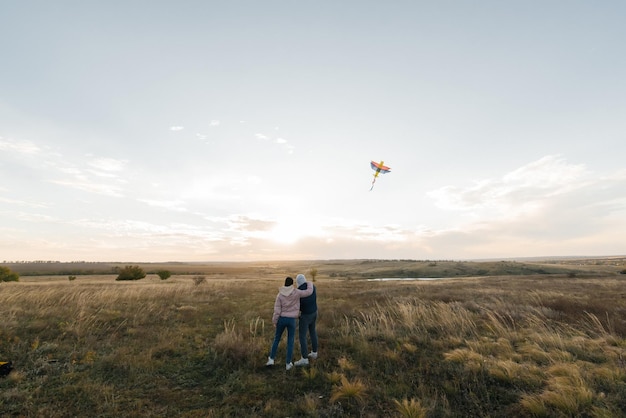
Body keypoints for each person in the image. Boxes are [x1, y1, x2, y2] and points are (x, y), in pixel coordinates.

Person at [266, 276, 313, 370]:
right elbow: (308, 292)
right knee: (290, 341)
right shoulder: (296, 292)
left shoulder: (279, 295)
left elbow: (277, 310)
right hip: (292, 320)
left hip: (281, 319)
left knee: (276, 339)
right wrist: (309, 283)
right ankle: (288, 364)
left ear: (285, 283)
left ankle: (271, 359)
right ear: (292, 284)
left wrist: (275, 321)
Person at [294, 273, 318, 367]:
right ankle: (314, 353)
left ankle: (304, 359)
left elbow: (297, 306)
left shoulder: (299, 292)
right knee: (313, 332)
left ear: (298, 282)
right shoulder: (313, 287)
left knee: (302, 336)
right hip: (314, 312)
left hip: (305, 316)